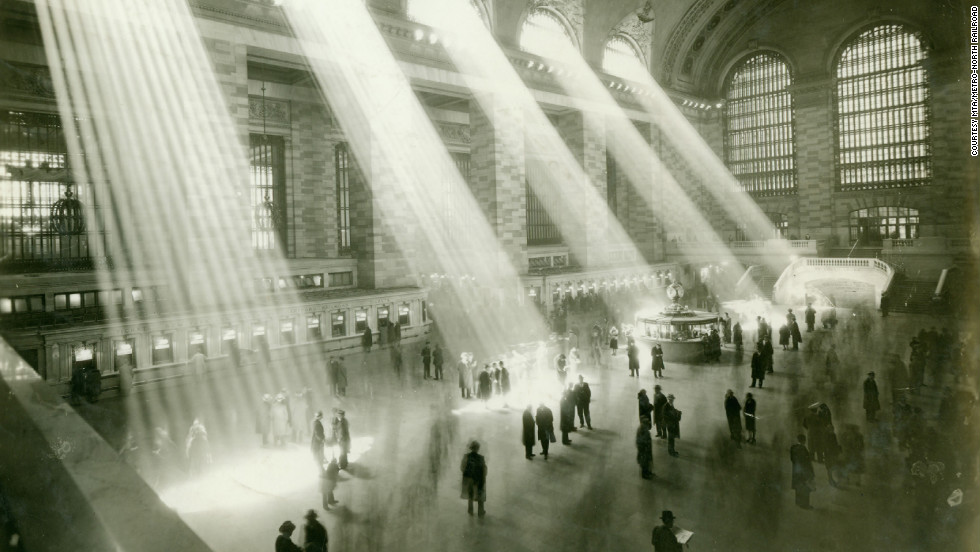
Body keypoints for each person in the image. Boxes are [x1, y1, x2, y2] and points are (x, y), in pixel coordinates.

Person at [460, 441, 487, 516]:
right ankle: (480, 512)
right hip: (478, 479)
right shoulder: (481, 458)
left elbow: (462, 467)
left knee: (470, 495)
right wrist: (483, 478)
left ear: (471, 448)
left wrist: (467, 474)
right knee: (480, 495)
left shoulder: (466, 456)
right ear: (478, 448)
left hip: (469, 479)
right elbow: (484, 470)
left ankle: (470, 511)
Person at [790, 434, 815, 509]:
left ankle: (798, 502)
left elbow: (792, 459)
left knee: (798, 486)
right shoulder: (803, 449)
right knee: (805, 488)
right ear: (804, 441)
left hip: (796, 470)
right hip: (804, 471)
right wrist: (811, 472)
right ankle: (805, 504)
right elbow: (807, 462)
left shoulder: (793, 447)